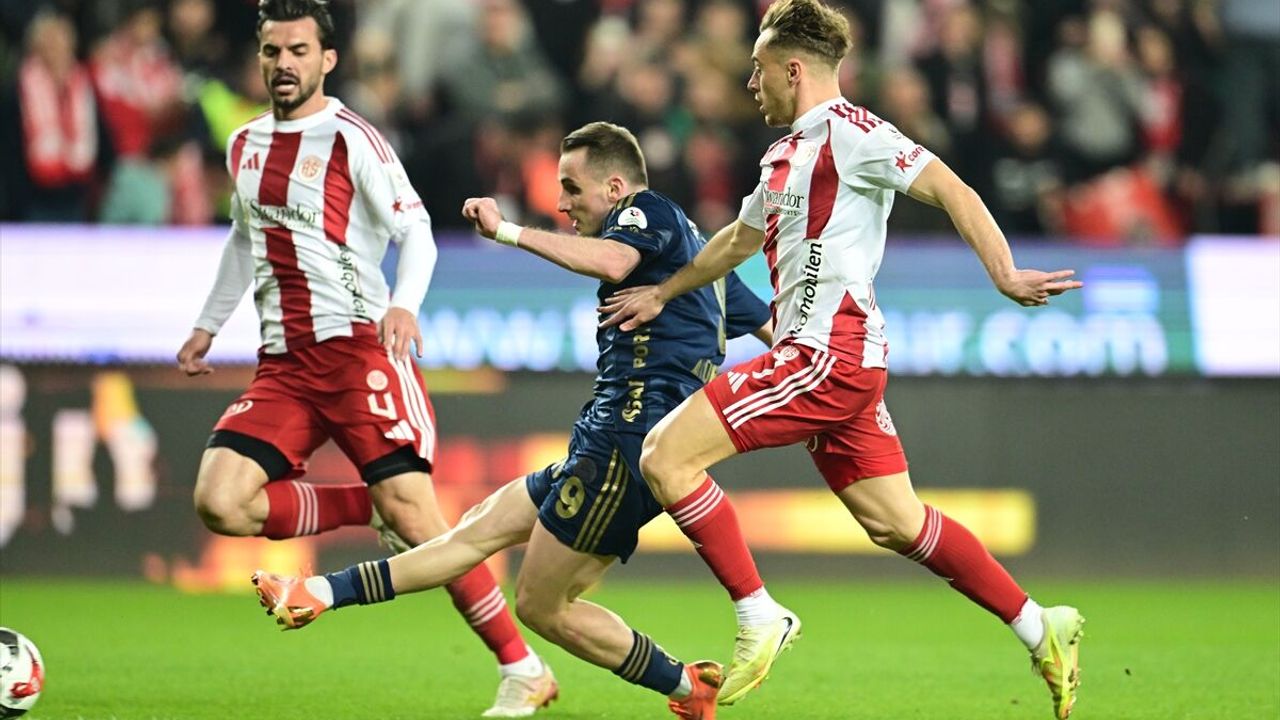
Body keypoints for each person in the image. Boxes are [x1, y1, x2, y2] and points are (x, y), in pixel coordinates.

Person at [598, 1, 1086, 718]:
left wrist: (1005, 273)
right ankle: (1042, 626)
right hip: (834, 362)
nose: (750, 83)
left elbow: (952, 188)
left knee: (664, 455)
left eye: (759, 69)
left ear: (794, 70)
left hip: (826, 354)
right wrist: (663, 292)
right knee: (896, 523)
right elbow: (736, 241)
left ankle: (759, 613)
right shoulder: (783, 156)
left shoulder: (855, 134)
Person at [250, 121, 774, 720]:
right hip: (607, 438)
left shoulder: (646, 211)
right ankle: (319, 591)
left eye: (572, 188)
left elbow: (612, 260)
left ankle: (686, 687)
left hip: (627, 445)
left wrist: (508, 231)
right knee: (473, 532)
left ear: (615, 187)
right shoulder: (702, 259)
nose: (563, 204)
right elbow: (775, 331)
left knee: (541, 604)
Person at [174, 2, 554, 716]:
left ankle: (523, 667)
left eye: (298, 51)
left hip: (357, 350)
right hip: (284, 364)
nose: (283, 64)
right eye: (272, 51)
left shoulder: (354, 140)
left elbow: (418, 234)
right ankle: (366, 506)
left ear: (327, 60)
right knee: (220, 501)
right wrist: (207, 325)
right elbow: (242, 240)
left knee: (419, 519)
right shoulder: (245, 143)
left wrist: (404, 304)